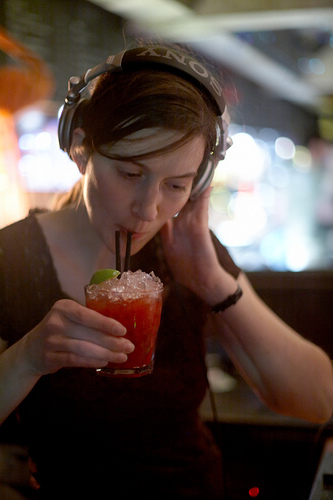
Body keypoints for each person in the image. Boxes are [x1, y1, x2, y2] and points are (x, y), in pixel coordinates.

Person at [0, 43, 332, 500]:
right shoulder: (12, 256)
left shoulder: (186, 251)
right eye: (129, 174)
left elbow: (318, 400)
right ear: (81, 150)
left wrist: (212, 281)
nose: (149, 209)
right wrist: (29, 357)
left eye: (176, 185)